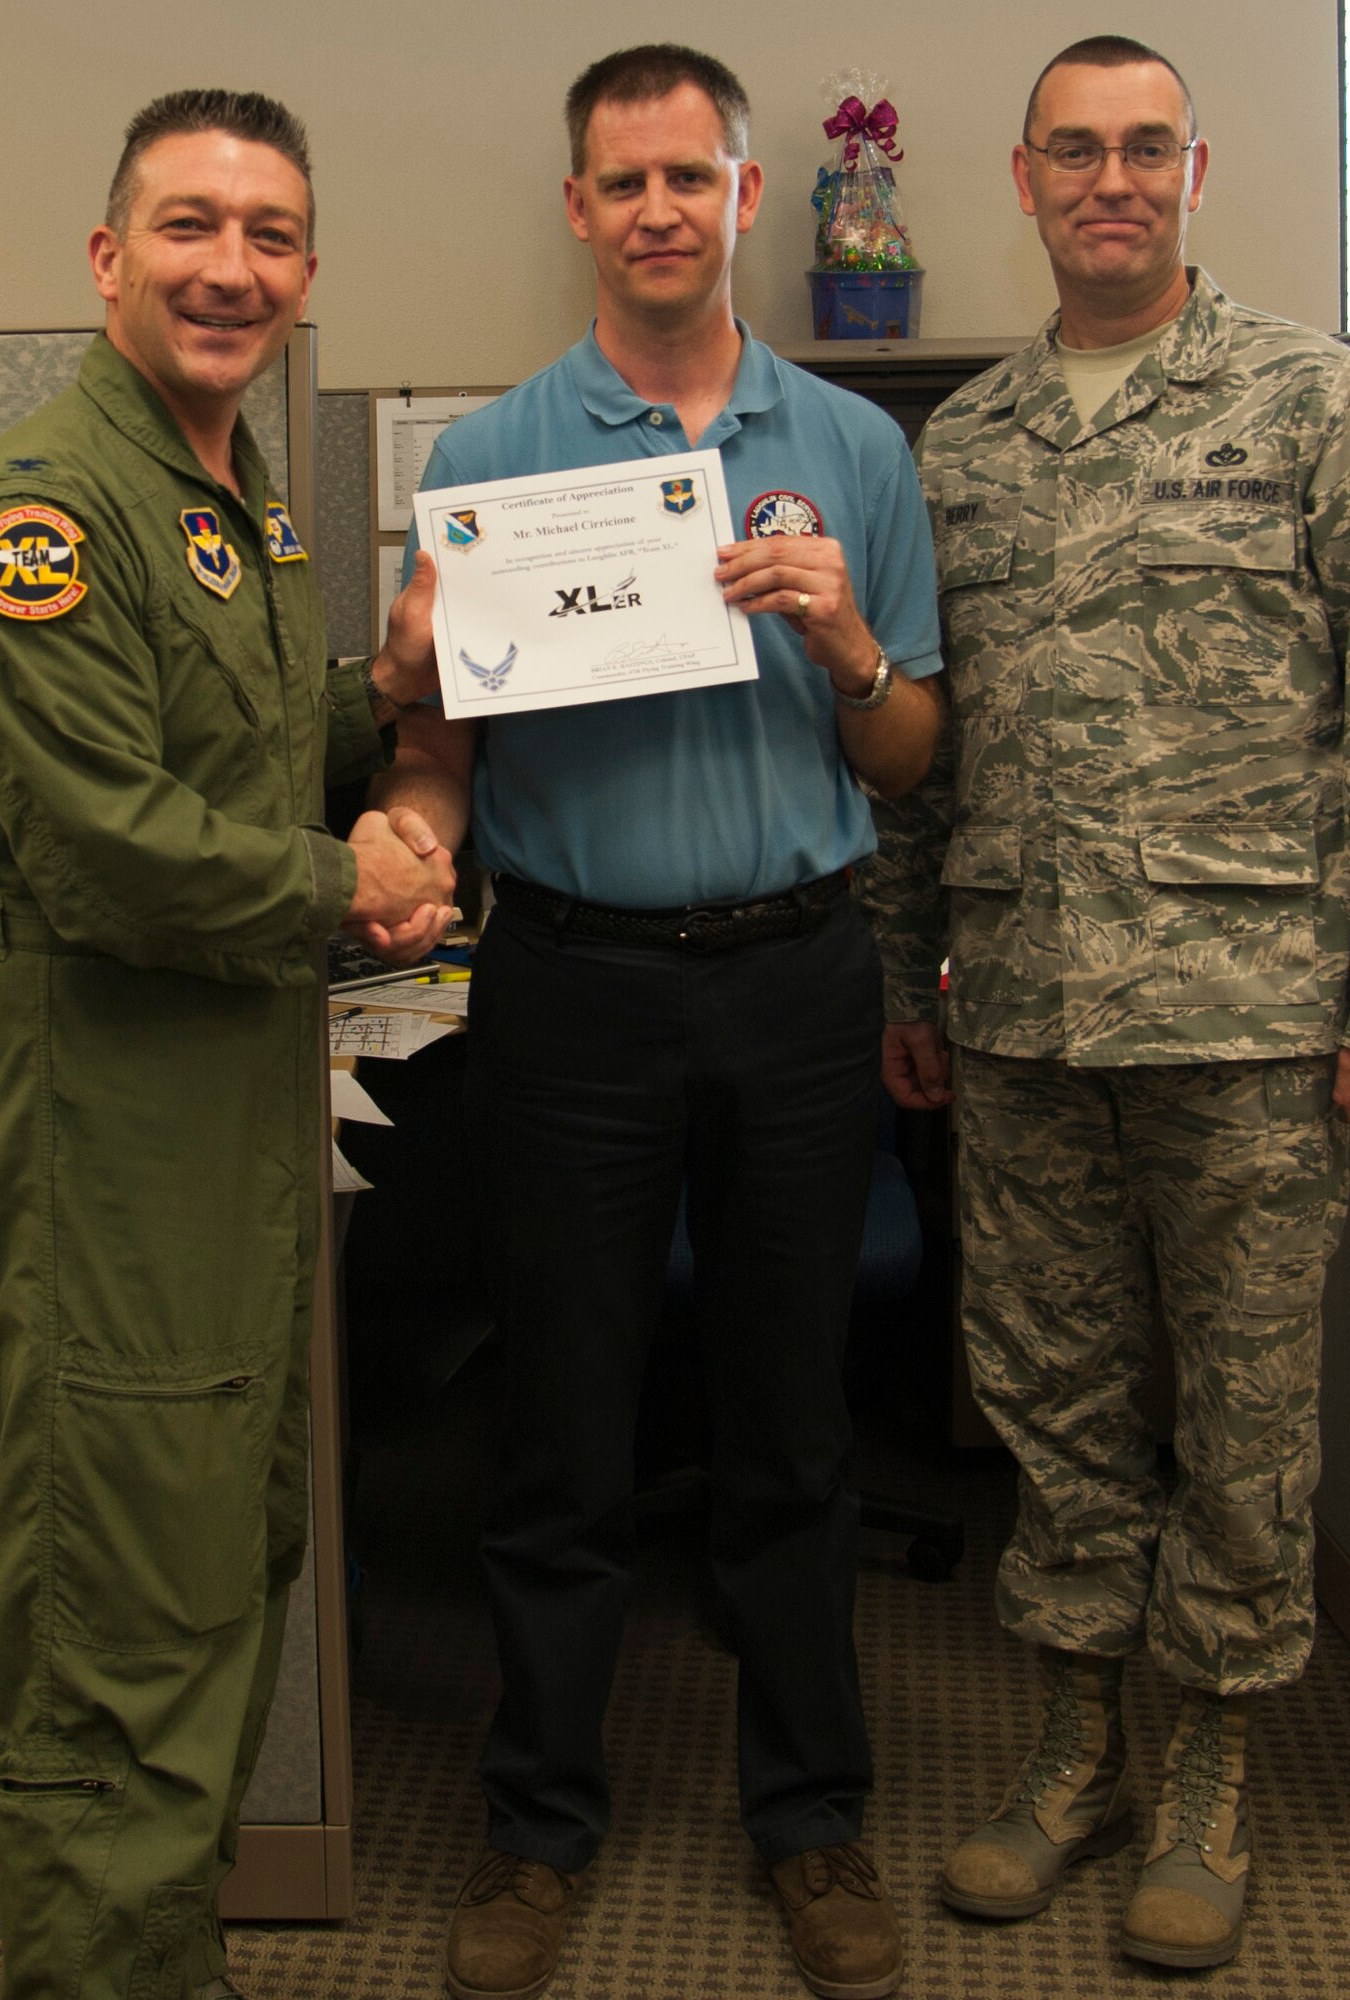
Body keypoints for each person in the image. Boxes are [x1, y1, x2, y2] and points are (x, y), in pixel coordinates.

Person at [861, 34, 1350, 1971]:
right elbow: (921, 745)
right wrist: (910, 973)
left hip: (1244, 1012)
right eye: (1077, 150)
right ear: (1025, 177)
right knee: (1049, 1402)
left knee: (1241, 1412)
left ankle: (1211, 1768)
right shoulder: (957, 447)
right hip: (1028, 1013)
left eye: (1147, 148)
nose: (1112, 178)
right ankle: (1075, 1755)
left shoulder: (1311, 401)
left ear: (1195, 172)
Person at [370, 43, 943, 2000]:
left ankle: (813, 1823)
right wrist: (407, 749)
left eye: (689, 177)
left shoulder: (853, 450)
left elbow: (916, 742)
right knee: (564, 1424)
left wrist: (846, 638)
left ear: (747, 193)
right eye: (621, 183)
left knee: (796, 1423)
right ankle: (537, 1833)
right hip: (573, 985)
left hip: (796, 974)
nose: (657, 211)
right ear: (579, 210)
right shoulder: (492, 458)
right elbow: (438, 747)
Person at [0, 89, 456, 2000]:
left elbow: (215, 763)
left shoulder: (229, 496)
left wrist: (374, 696)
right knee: (120, 1631)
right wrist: (357, 884)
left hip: (223, 1135)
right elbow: (107, 846)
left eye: (274, 234)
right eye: (191, 224)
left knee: (224, 1570)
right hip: (108, 1150)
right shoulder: (40, 516)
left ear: (308, 272)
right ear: (106, 254)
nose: (235, 267)